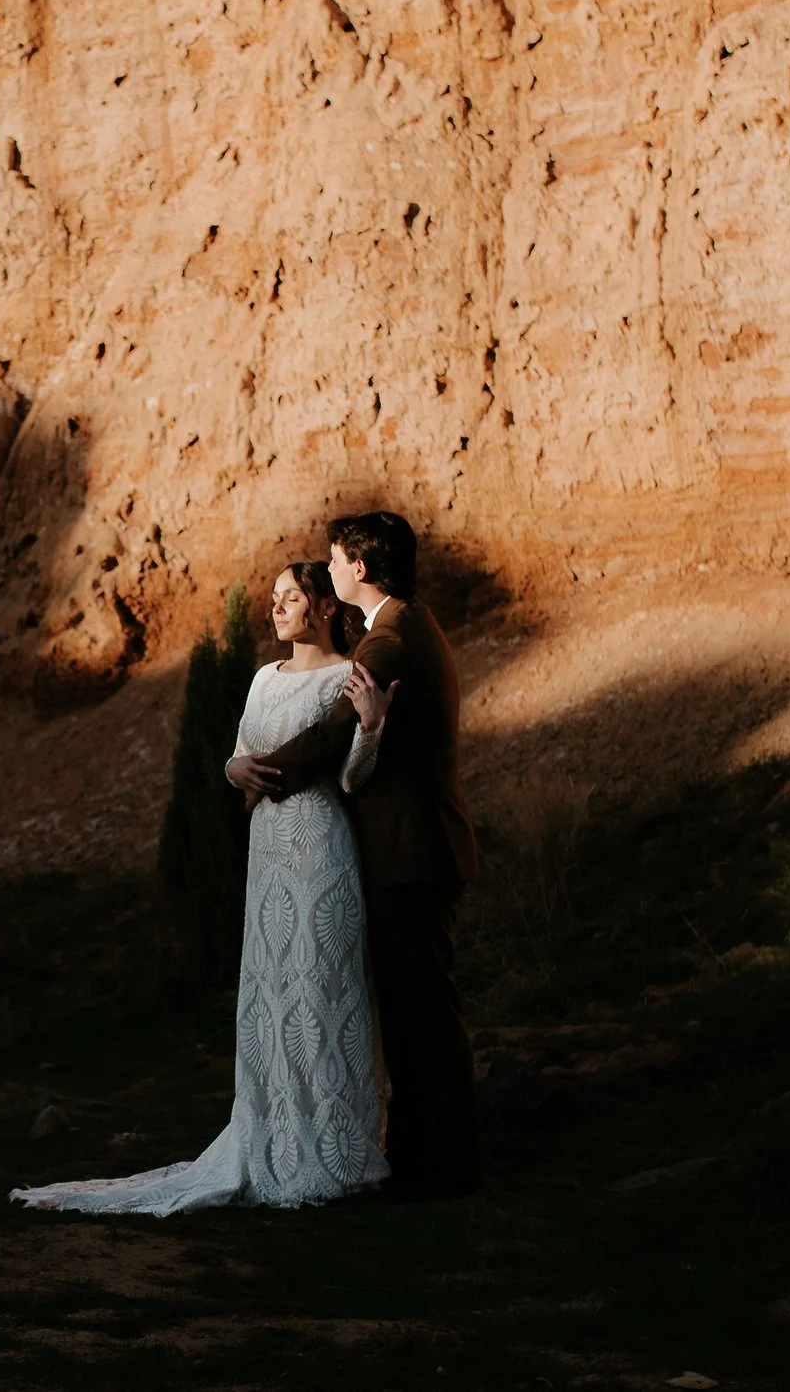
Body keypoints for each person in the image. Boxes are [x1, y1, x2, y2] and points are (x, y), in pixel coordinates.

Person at [12, 560, 392, 1213]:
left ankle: (336, 1150)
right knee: (273, 989)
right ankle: (274, 1138)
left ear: (326, 607)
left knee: (323, 983)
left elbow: (355, 779)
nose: (277, 607)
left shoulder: (345, 675)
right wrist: (230, 766)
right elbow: (239, 754)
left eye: (291, 596)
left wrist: (372, 727)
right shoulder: (263, 679)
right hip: (268, 853)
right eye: (273, 597)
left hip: (322, 847)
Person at [228, 511, 482, 1199]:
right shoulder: (404, 625)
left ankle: (446, 1165)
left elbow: (328, 734)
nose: (330, 570)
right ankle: (420, 1155)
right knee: (408, 1014)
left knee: (422, 1017)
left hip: (410, 852)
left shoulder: (390, 641)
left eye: (335, 559)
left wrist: (256, 774)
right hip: (409, 850)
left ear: (359, 567)